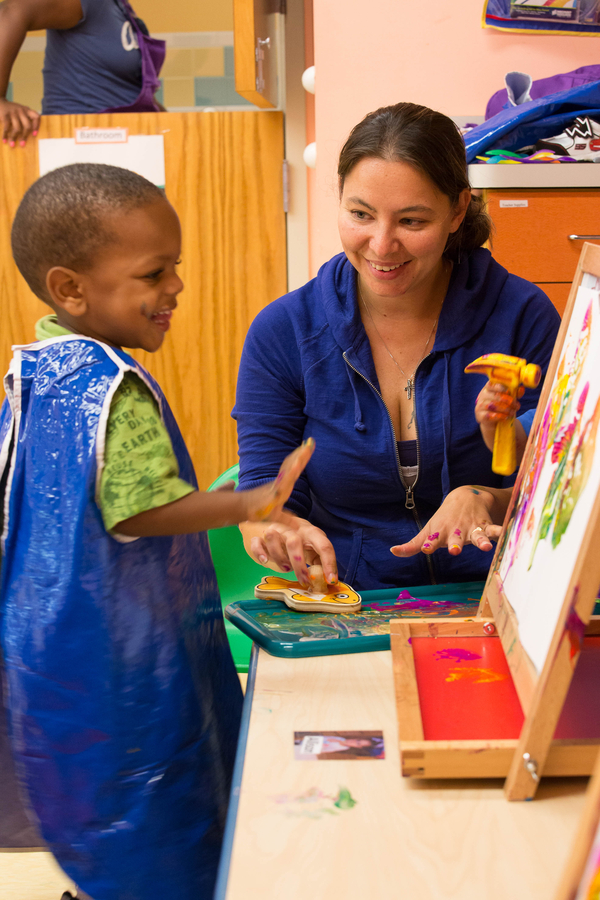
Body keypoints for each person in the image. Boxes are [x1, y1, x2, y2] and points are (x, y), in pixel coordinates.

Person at [0, 163, 313, 900]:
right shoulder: (113, 383)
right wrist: (251, 502)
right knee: (158, 806)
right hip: (125, 656)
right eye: (153, 273)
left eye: (176, 266)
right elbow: (138, 510)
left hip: (49, 642)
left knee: (90, 800)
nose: (175, 287)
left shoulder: (34, 369)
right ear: (70, 288)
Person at [233, 102, 561, 592]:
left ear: (456, 211)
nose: (381, 246)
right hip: (353, 598)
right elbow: (264, 485)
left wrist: (486, 496)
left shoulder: (521, 314)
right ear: (338, 199)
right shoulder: (284, 331)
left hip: (501, 594)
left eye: (411, 221)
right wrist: (273, 525)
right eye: (360, 214)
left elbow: (562, 477)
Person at [0, 0, 165, 148]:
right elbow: (13, 10)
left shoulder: (119, 9)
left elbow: (133, 92)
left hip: (126, 144)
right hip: (84, 144)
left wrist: (174, 126)